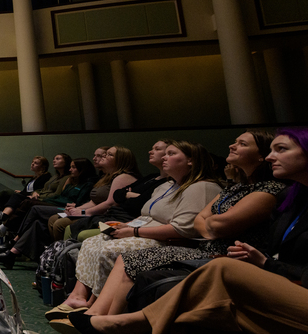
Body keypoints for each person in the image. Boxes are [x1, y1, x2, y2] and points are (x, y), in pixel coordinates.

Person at [72, 131, 282, 320]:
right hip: (206, 248)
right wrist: (207, 223)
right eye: (234, 141)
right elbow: (201, 221)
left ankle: (103, 318)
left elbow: (210, 226)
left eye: (242, 144)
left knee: (122, 254)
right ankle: (94, 312)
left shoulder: (267, 189)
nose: (232, 146)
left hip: (223, 254)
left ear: (261, 155)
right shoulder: (236, 187)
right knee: (108, 249)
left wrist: (206, 223)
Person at [51, 141, 224, 316]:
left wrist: (133, 232)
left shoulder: (201, 187)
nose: (164, 157)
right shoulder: (167, 186)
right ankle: (77, 297)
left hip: (169, 241)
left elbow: (182, 229)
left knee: (109, 249)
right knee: (91, 242)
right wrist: (127, 225)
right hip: (143, 231)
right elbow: (146, 216)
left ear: (191, 161)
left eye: (171, 154)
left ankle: (95, 306)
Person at [0, 157, 98, 267]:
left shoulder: (87, 184)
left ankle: (12, 237)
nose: (70, 170)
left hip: (65, 208)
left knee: (34, 208)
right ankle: (12, 253)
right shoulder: (71, 181)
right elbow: (59, 195)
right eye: (70, 167)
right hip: (57, 203)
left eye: (73, 167)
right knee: (36, 222)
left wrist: (76, 206)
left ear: (82, 169)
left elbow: (80, 201)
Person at [0, 155, 54, 220]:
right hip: (24, 196)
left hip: (32, 199)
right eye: (32, 162)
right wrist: (21, 192)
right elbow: (28, 191)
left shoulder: (45, 177)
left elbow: (38, 191)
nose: (32, 164)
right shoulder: (34, 178)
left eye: (36, 163)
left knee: (5, 192)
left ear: (43, 167)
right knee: (1, 200)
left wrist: (22, 193)